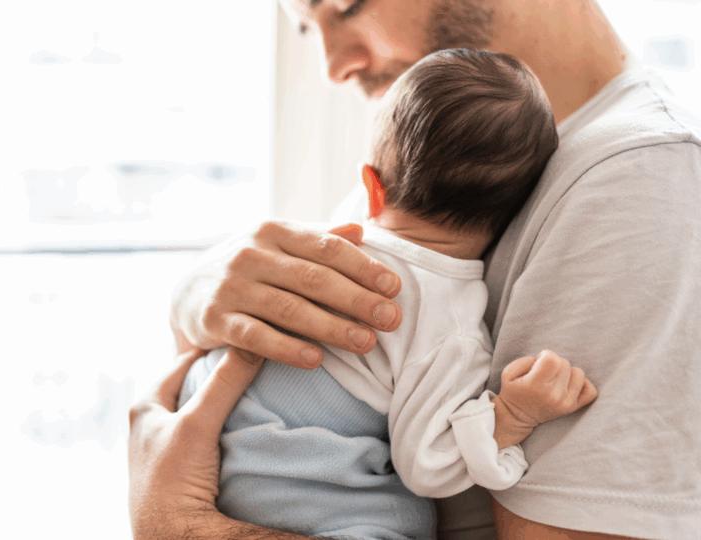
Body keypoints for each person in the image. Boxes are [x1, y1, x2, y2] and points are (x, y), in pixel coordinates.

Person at [130, 1, 701, 538]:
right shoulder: (442, 152)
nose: (332, 66)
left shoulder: (639, 181)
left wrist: (179, 524)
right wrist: (196, 296)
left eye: (348, 6)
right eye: (307, 27)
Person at [175, 48, 598, 539]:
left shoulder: (313, 250)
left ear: (371, 187)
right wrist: (513, 415)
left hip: (207, 451)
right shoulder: (450, 325)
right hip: (298, 494)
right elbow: (430, 465)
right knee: (399, 519)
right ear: (514, 215)